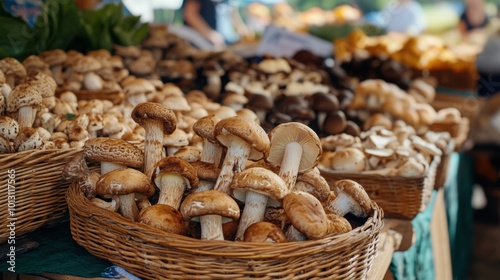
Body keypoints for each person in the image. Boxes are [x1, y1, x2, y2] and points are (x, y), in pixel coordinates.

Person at [182, 0, 251, 50]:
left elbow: (232, 12)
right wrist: (210, 34)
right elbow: (190, 14)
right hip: (202, 44)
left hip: (227, 43)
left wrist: (241, 28)